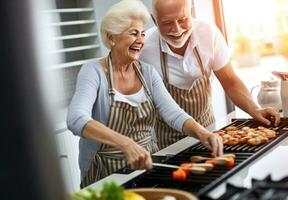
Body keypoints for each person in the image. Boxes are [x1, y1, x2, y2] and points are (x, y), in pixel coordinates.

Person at [67, 0, 223, 188]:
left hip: (148, 164)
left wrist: (203, 133)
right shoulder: (93, 71)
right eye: (133, 33)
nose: (141, 40)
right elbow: (76, 119)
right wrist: (125, 143)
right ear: (112, 38)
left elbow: (173, 113)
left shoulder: (147, 72)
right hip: (105, 173)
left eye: (142, 33)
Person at [140, 0, 280, 149]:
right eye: (167, 22)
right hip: (169, 139)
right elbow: (160, 106)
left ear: (191, 13)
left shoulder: (208, 33)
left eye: (183, 19)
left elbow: (230, 81)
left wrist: (254, 109)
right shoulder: (144, 50)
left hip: (210, 130)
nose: (177, 29)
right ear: (154, 20)